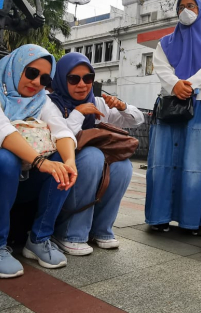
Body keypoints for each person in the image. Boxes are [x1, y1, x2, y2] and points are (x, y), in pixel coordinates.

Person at [0, 45, 77, 275]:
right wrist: (41, 162)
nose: (37, 82)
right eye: (31, 72)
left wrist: (69, 162)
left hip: (27, 179)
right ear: (15, 66)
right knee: (5, 157)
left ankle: (39, 239)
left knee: (63, 160)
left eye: (45, 78)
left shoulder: (42, 100)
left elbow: (61, 130)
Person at [49, 52, 144, 255]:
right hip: (58, 164)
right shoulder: (51, 103)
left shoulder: (98, 103)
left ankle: (100, 229)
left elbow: (137, 120)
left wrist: (122, 106)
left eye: (88, 78)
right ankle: (69, 232)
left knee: (123, 166)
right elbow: (60, 137)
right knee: (93, 156)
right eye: (73, 79)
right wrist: (78, 113)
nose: (82, 84)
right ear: (61, 79)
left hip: (90, 164)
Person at [146, 0, 201, 235]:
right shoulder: (165, 43)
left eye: (190, 6)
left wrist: (186, 85)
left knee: (197, 164)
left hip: (200, 106)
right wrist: (175, 86)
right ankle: (160, 216)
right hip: (170, 104)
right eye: (181, 7)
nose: (185, 10)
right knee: (163, 160)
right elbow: (160, 66)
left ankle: (196, 219)